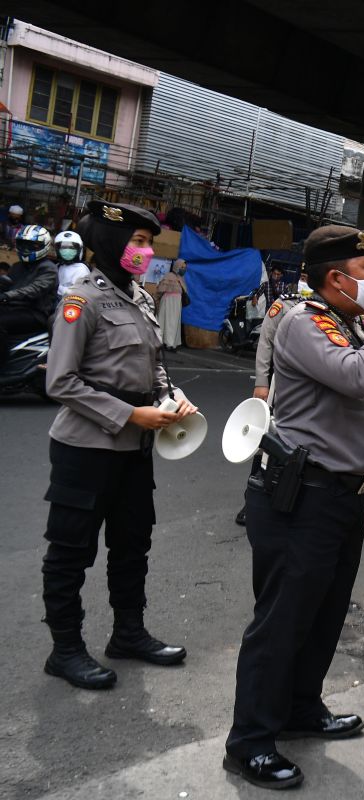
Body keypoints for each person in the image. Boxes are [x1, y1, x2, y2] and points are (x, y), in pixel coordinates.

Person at [225, 225, 364, 790]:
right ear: (337, 277)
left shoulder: (351, 325)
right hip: (300, 497)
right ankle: (250, 742)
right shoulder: (303, 322)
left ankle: (302, 707)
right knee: (281, 623)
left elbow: (357, 413)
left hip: (342, 494)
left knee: (325, 615)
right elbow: (356, 380)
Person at [40, 201, 198, 692]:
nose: (145, 251)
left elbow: (153, 365)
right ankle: (65, 649)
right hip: (86, 448)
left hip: (134, 449)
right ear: (111, 242)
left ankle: (128, 633)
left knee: (133, 544)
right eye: (138, 241)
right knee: (71, 552)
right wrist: (130, 414)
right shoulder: (81, 299)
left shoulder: (141, 298)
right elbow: (60, 382)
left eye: (149, 243)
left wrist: (171, 395)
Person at [232, 283, 307, 527]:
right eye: (303, 276)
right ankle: (251, 500)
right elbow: (266, 342)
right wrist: (262, 382)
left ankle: (286, 497)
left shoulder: (332, 308)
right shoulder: (285, 304)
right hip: (281, 384)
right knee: (268, 439)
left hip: (311, 389)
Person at [0, 225, 57, 367]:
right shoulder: (17, 266)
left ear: (44, 246)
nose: (26, 249)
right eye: (22, 244)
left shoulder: (48, 268)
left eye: (32, 245)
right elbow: (6, 283)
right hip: (14, 308)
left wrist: (7, 296)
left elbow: (34, 289)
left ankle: (3, 363)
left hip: (35, 313)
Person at [155, 260, 188, 351]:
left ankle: (171, 343)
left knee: (173, 324)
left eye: (185, 268)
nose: (183, 269)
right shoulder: (169, 276)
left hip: (177, 304)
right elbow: (161, 290)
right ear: (176, 266)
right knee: (166, 322)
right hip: (168, 302)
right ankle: (165, 343)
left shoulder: (181, 278)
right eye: (182, 267)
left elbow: (184, 292)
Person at [54, 231, 89, 297]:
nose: (67, 250)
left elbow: (76, 293)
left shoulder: (81, 269)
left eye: (71, 248)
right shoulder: (58, 266)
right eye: (63, 248)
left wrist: (55, 288)